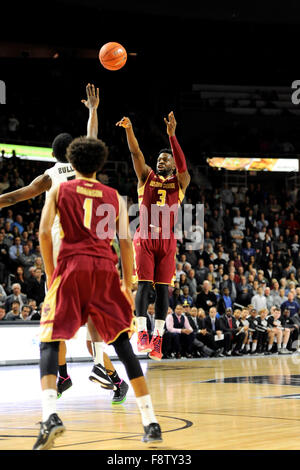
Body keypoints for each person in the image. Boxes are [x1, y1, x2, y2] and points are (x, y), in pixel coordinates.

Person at [33, 135, 162, 450]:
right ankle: (151, 422)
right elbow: (126, 241)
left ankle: (50, 414)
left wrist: (52, 275)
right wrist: (128, 283)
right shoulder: (115, 196)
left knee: (50, 341)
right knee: (123, 347)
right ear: (100, 165)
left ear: (71, 163)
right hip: (105, 270)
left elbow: (43, 234)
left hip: (72, 268)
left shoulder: (60, 189)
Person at [0, 84, 127, 403]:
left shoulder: (49, 177)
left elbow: (15, 196)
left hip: (62, 258)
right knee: (87, 332)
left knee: (56, 325)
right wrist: (93, 111)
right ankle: (84, 376)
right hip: (88, 255)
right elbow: (94, 140)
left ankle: (88, 376)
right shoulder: (87, 171)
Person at [116, 111, 190, 360]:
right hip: (145, 236)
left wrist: (172, 137)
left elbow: (182, 165)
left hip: (168, 240)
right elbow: (136, 153)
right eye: (159, 158)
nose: (161, 161)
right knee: (145, 286)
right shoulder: (146, 177)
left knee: (163, 290)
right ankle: (141, 333)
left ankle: (157, 338)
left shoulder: (180, 182)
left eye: (166, 158)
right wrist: (129, 130)